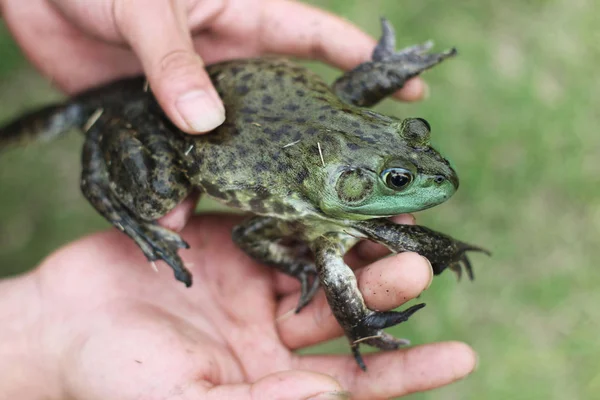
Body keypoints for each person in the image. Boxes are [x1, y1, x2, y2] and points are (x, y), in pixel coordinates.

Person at [0, 0, 477, 399]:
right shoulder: (321, 208)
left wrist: (384, 72)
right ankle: (114, 170)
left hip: (234, 86)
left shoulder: (343, 115)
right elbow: (252, 234)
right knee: (156, 200)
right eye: (397, 179)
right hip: (180, 121)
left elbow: (351, 91)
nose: (431, 176)